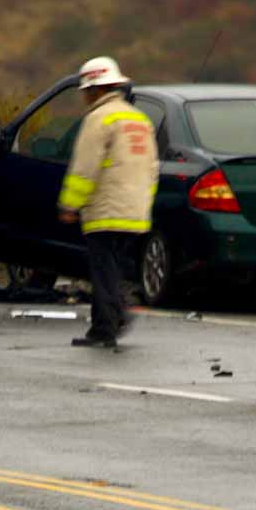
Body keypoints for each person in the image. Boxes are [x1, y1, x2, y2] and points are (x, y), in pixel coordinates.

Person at [56, 56, 157, 349]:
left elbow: (85, 168)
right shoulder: (139, 120)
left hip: (106, 211)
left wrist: (70, 204)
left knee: (103, 270)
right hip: (135, 212)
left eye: (86, 91)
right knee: (114, 269)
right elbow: (152, 169)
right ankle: (115, 315)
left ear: (95, 90)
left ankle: (107, 326)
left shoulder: (99, 119)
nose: (84, 97)